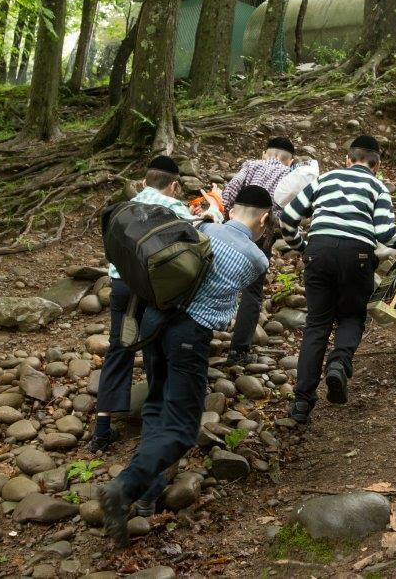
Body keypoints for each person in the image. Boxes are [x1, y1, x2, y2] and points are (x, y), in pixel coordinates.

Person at [98, 185, 272, 546]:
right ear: (265, 219)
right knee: (180, 428)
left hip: (154, 323)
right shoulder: (257, 258)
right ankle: (124, 488)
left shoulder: (204, 230)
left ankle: (148, 493)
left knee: (158, 405)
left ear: (232, 208)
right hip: (189, 336)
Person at [278, 136, 396, 425]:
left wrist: (302, 247)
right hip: (356, 256)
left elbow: (288, 216)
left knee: (316, 326)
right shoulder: (377, 186)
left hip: (318, 253)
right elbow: (386, 233)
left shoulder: (326, 179)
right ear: (377, 165)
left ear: (348, 159)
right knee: (352, 317)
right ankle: (338, 364)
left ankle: (301, 403)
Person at [90, 155, 219, 454]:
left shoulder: (125, 207)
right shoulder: (174, 208)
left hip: (120, 286)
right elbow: (198, 242)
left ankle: (101, 430)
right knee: (152, 344)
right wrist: (210, 214)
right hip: (151, 289)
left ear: (145, 182)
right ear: (174, 185)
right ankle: (155, 417)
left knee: (117, 349)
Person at [221, 136, 297, 366]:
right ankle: (239, 352)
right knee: (252, 294)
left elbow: (228, 195)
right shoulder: (290, 176)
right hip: (260, 240)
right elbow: (288, 214)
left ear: (265, 153)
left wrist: (230, 215)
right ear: (290, 160)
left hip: (232, 233)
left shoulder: (250, 165)